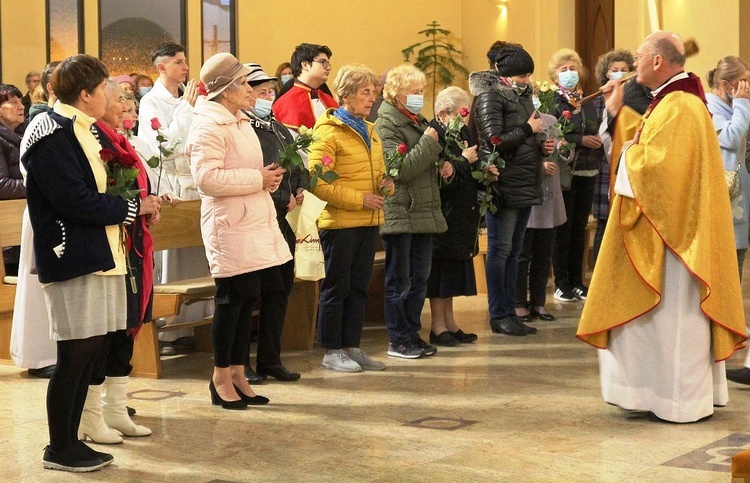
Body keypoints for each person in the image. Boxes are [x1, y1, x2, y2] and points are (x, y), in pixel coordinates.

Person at [577, 32, 747, 423]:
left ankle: (676, 398)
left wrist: (631, 149)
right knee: (659, 324)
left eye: (639, 57)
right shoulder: (674, 102)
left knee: (672, 322)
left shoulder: (681, 105)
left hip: (675, 242)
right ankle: (651, 392)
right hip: (670, 231)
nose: (634, 64)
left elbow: (662, 170)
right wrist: (628, 128)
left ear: (657, 61)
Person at [22, 54, 160, 471]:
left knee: (92, 351)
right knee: (75, 355)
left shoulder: (79, 128)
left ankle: (73, 440)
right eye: (104, 90)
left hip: (100, 253)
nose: (111, 97)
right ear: (85, 95)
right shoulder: (50, 131)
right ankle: (58, 447)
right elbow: (71, 199)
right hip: (73, 255)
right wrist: (131, 209)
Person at [186, 52, 285, 409]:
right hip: (228, 226)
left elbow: (244, 171)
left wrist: (268, 180)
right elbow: (207, 179)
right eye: (244, 83)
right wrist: (257, 178)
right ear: (225, 89)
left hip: (251, 220)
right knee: (231, 301)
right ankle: (220, 376)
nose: (251, 90)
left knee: (247, 302)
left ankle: (239, 372)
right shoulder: (208, 125)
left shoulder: (239, 120)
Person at [77, 80, 155, 444]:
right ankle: (91, 417)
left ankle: (116, 410)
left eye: (129, 102)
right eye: (119, 101)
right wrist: (136, 207)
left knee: (127, 326)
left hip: (135, 242)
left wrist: (150, 204)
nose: (127, 107)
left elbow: (136, 189)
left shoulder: (124, 143)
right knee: (108, 331)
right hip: (113, 245)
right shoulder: (95, 142)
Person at [308, 64, 390, 372]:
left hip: (368, 221)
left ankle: (352, 346)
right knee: (337, 287)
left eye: (373, 92)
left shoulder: (370, 130)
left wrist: (386, 184)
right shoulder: (327, 132)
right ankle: (331, 350)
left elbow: (377, 172)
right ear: (346, 95)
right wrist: (361, 199)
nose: (371, 99)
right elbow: (318, 180)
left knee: (359, 288)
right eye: (364, 93)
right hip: (340, 223)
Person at [468, 41, 550, 337]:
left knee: (514, 251)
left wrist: (543, 144)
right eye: (523, 75)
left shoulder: (523, 95)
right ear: (505, 72)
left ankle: (512, 312)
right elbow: (495, 141)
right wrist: (530, 131)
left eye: (529, 75)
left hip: (525, 180)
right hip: (502, 182)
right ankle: (499, 313)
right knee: (500, 251)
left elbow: (531, 130)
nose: (527, 80)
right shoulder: (490, 96)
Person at [241, 63, 308, 382]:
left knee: (279, 289)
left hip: (282, 221)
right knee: (250, 293)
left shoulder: (278, 128)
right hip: (256, 219)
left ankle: (271, 359)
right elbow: (255, 175)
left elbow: (296, 165)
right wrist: (284, 198)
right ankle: (241, 364)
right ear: (247, 94)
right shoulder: (245, 129)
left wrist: (299, 187)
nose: (269, 96)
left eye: (271, 91)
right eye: (262, 92)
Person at [137, 42, 204, 355]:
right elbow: (164, 146)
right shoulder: (151, 102)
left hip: (195, 182)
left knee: (199, 260)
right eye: (178, 62)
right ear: (160, 67)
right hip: (173, 184)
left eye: (186, 62)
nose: (185, 67)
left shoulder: (189, 98)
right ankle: (170, 331)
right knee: (175, 261)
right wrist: (186, 110)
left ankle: (200, 322)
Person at [375, 64, 445, 359]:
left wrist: (445, 164)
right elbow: (398, 169)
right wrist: (430, 143)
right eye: (414, 92)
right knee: (400, 281)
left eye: (421, 92)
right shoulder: (386, 124)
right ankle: (398, 338)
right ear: (396, 94)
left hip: (424, 211)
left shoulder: (418, 120)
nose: (419, 97)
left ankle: (412, 333)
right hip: (401, 212)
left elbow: (425, 161)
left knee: (420, 279)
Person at [10, 62, 59, 379]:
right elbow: (32, 172)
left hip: (63, 214)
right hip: (45, 213)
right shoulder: (41, 121)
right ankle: (39, 355)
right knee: (40, 287)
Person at [703, 57, 750, 385]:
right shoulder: (711, 108)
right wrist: (744, 104)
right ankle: (718, 339)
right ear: (725, 84)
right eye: (743, 81)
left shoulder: (733, 105)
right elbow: (732, 139)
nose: (747, 87)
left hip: (741, 208)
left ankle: (730, 332)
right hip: (725, 207)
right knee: (724, 277)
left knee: (736, 273)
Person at [547, 48, 605, 303]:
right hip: (565, 173)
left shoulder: (589, 100)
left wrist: (598, 140)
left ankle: (577, 281)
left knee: (580, 228)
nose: (569, 73)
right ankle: (561, 283)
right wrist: (580, 140)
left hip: (588, 169)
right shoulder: (553, 102)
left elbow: (598, 127)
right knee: (564, 228)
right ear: (555, 76)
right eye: (564, 70)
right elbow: (553, 134)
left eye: (572, 68)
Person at [425, 86, 480, 346]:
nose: (464, 118)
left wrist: (483, 170)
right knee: (440, 272)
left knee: (453, 271)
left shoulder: (463, 132)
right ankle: (437, 325)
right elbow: (441, 176)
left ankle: (450, 321)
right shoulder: (435, 135)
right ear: (442, 114)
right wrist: (465, 161)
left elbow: (469, 166)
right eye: (460, 113)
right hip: (442, 212)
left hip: (461, 213)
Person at [515, 101, 568, 323]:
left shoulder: (552, 121)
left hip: (550, 197)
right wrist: (540, 166)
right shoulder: (518, 123)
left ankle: (539, 302)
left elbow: (565, 157)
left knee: (543, 256)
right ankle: (518, 303)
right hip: (529, 195)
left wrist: (564, 149)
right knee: (522, 255)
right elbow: (517, 157)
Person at [591, 50, 634, 261]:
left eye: (624, 70)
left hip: (626, 165)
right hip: (605, 168)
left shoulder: (633, 99)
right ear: (606, 74)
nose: (619, 74)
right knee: (603, 222)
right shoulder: (599, 100)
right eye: (614, 71)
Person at [272, 43, 338, 151]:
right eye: (322, 62)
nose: (328, 67)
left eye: (328, 63)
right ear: (305, 65)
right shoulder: (286, 102)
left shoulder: (328, 99)